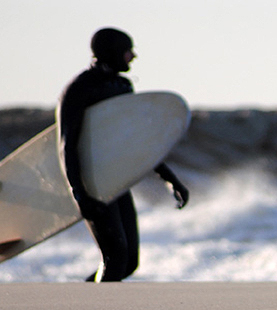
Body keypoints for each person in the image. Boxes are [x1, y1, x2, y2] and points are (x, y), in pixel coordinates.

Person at [58, 27, 189, 282]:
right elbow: (67, 145)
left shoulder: (122, 86)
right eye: (128, 50)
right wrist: (80, 195)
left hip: (116, 182)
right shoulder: (79, 89)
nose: (133, 56)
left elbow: (134, 143)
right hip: (93, 182)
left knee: (129, 261)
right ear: (113, 52)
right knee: (115, 256)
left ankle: (82, 301)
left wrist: (170, 178)